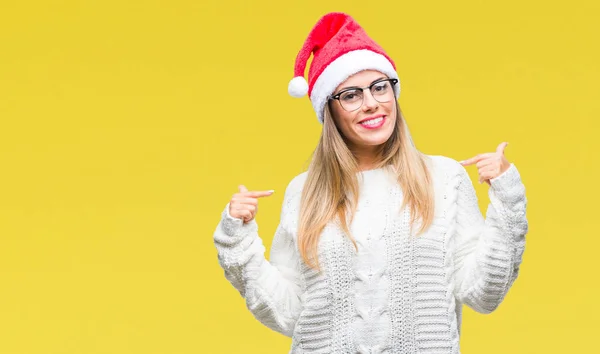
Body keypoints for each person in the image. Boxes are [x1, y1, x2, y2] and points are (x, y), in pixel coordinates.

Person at [213, 12, 528, 354]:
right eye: (351, 95)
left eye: (380, 87)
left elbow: (484, 293)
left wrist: (507, 198)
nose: (372, 103)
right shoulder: (304, 193)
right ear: (329, 110)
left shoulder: (444, 180)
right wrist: (237, 241)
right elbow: (288, 313)